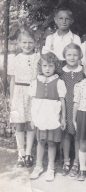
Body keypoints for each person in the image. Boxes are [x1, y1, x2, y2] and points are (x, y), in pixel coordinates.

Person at [29, 52, 67, 181]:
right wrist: (33, 118)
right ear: (41, 67)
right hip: (40, 116)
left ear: (55, 67)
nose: (47, 69)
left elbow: (62, 101)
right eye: (45, 65)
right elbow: (33, 102)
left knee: (51, 142)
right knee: (40, 141)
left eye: (50, 66)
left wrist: (63, 118)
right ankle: (38, 166)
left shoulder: (59, 82)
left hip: (53, 116)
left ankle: (51, 167)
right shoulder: (36, 82)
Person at [8, 29, 40, 168]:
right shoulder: (15, 59)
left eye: (30, 42)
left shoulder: (39, 58)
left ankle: (29, 154)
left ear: (35, 43)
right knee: (19, 124)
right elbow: (12, 80)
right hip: (19, 94)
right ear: (19, 43)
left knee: (30, 124)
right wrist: (11, 98)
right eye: (24, 42)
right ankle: (20, 154)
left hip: (33, 93)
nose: (27, 45)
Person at [59, 43, 84, 177]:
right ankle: (66, 161)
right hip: (65, 107)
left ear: (80, 56)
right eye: (69, 55)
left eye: (75, 55)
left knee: (78, 135)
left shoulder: (84, 71)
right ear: (64, 56)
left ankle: (77, 162)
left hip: (80, 107)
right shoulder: (61, 72)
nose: (72, 57)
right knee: (66, 134)